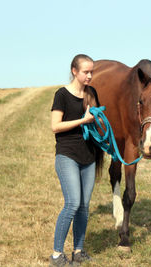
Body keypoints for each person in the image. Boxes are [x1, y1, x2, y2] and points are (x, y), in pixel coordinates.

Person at [50, 54, 103, 267]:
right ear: (74, 71)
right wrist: (83, 120)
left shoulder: (92, 93)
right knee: (72, 203)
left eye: (92, 72)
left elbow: (96, 122)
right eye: (85, 72)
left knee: (84, 206)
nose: (89, 75)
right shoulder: (62, 95)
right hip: (67, 155)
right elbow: (55, 126)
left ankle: (78, 251)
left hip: (88, 157)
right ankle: (56, 255)